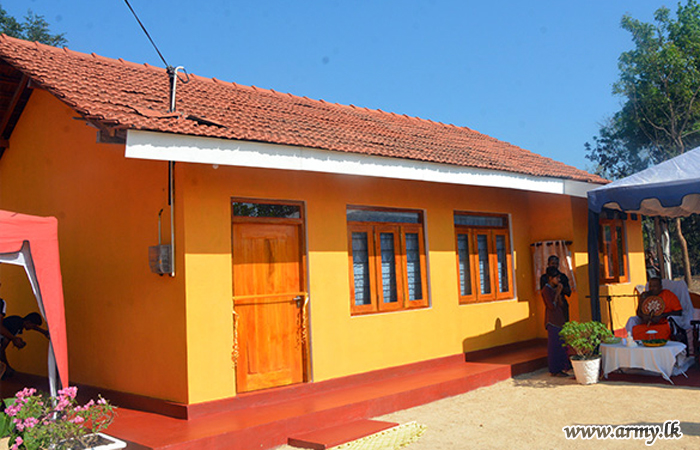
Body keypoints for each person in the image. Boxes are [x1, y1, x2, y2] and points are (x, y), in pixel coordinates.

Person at [541, 266, 572, 377]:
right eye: (556, 278)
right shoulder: (546, 290)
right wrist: (558, 293)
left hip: (559, 320)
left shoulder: (553, 289)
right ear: (550, 278)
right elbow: (551, 306)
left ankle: (563, 367)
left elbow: (560, 304)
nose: (558, 280)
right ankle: (555, 369)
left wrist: (559, 292)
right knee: (554, 347)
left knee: (561, 345)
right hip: (552, 321)